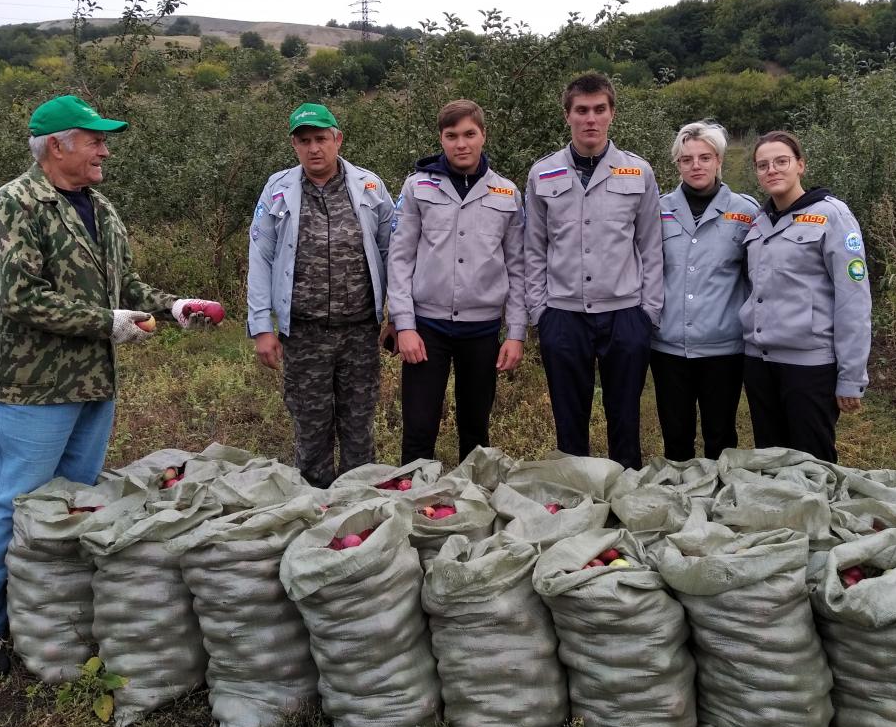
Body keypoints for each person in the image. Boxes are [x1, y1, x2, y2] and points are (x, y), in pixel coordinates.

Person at [0, 94, 223, 680]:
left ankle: (48, 616)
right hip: (34, 385)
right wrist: (106, 323)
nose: (105, 148)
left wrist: (172, 306)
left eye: (105, 139)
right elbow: (17, 297)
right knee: (13, 504)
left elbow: (124, 284)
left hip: (92, 380)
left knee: (73, 504)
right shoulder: (15, 205)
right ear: (58, 145)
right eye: (95, 138)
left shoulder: (99, 208)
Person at [246, 103, 392, 488]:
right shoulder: (278, 190)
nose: (314, 148)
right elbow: (260, 257)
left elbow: (393, 251)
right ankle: (315, 508)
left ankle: (360, 508)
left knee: (359, 426)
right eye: (304, 141)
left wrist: (398, 316)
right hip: (304, 333)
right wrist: (262, 327)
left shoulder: (371, 187)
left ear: (338, 139)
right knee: (311, 428)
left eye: (321, 139)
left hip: (360, 332)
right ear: (294, 145)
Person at [524, 72, 663, 470]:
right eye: (581, 110)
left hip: (625, 314)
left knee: (625, 419)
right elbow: (533, 248)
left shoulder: (638, 172)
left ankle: (626, 499)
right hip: (563, 315)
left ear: (612, 114)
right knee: (570, 423)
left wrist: (648, 313)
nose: (590, 119)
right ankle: (576, 503)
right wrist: (540, 313)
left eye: (599, 110)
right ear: (567, 115)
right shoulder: (542, 173)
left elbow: (651, 247)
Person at [386, 99, 525, 463]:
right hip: (426, 327)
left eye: (469, 134)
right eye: (452, 136)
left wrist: (516, 333)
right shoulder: (417, 187)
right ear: (441, 139)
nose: (461, 144)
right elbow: (399, 258)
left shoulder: (507, 193)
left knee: (476, 430)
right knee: (418, 427)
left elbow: (518, 267)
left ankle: (472, 506)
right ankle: (413, 506)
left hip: (482, 329)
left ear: (483, 136)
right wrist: (404, 325)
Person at [740, 129, 871, 462]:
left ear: (800, 165)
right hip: (760, 362)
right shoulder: (758, 223)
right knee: (769, 461)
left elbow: (853, 300)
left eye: (781, 161)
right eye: (763, 165)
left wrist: (851, 377)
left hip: (809, 366)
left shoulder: (833, 216)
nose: (772, 170)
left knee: (812, 463)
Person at [650, 121, 758, 460]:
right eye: (686, 159)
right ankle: (678, 503)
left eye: (705, 157)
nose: (696, 165)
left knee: (720, 436)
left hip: (723, 347)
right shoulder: (658, 209)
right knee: (675, 434)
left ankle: (718, 504)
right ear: (678, 164)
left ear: (719, 161)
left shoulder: (746, 211)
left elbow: (757, 278)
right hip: (668, 345)